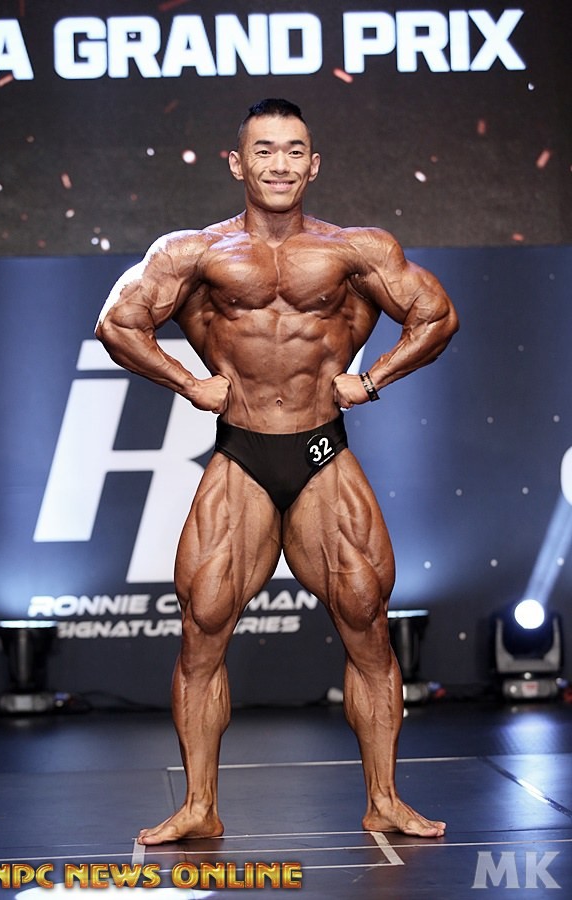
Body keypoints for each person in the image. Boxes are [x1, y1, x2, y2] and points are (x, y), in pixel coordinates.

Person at [96, 98, 458, 843]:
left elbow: (437, 316)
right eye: (265, 150)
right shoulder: (194, 253)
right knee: (203, 627)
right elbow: (118, 323)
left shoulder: (355, 250)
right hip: (243, 452)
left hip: (323, 451)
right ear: (238, 163)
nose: (280, 164)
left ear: (313, 165)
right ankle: (199, 805)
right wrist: (187, 383)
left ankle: (384, 799)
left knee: (367, 622)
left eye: (294, 151)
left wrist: (374, 377)